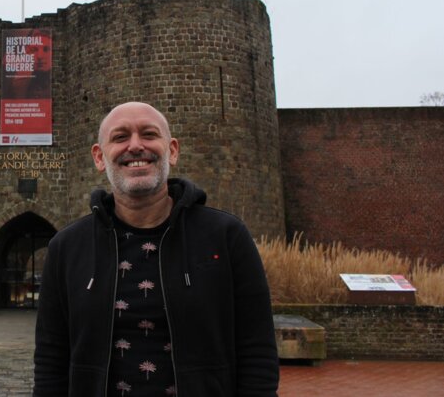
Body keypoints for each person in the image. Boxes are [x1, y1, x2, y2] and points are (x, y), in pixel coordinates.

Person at [33, 102, 279, 396]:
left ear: (172, 150)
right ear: (99, 157)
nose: (135, 146)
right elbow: (51, 360)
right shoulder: (67, 248)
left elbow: (257, 350)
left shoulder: (226, 237)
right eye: (120, 137)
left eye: (149, 134)